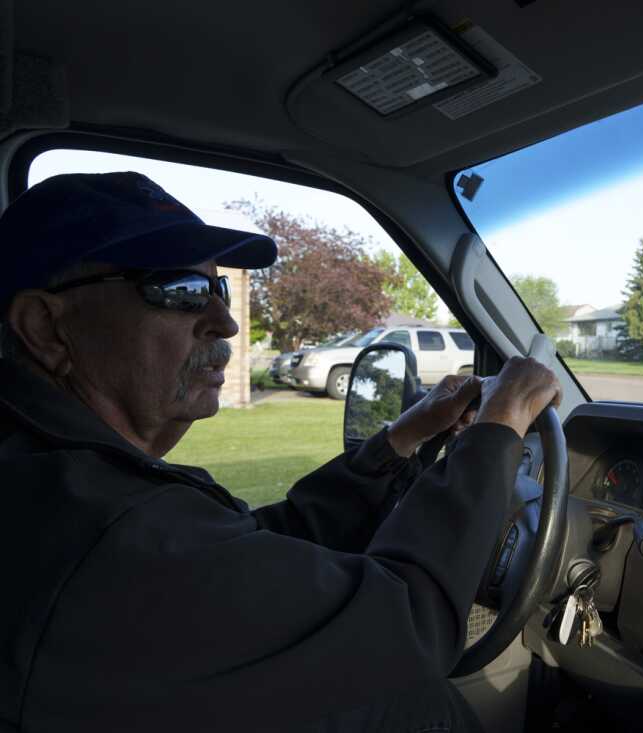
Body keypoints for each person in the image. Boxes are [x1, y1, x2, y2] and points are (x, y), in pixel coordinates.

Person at [0, 172, 562, 733]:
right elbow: (403, 633)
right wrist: (499, 428)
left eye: (218, 290)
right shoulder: (105, 532)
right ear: (46, 327)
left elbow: (252, 555)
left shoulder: (68, 481)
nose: (226, 321)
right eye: (180, 291)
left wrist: (400, 441)